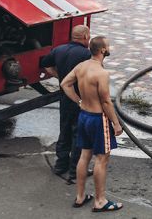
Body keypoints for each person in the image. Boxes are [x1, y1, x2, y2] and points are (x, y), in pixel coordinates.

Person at [60, 35, 123, 213]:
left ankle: (80, 197)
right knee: (102, 159)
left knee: (84, 156)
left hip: (84, 115)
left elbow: (65, 84)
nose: (109, 48)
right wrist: (116, 124)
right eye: (108, 46)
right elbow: (106, 102)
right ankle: (100, 201)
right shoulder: (102, 73)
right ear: (102, 50)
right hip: (98, 119)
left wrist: (79, 101)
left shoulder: (82, 66)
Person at [40, 24, 91, 182]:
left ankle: (60, 165)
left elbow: (45, 64)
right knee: (78, 134)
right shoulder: (87, 54)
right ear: (84, 37)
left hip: (64, 98)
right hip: (80, 99)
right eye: (88, 36)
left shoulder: (59, 50)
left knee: (64, 131)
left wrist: (61, 77)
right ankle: (76, 169)